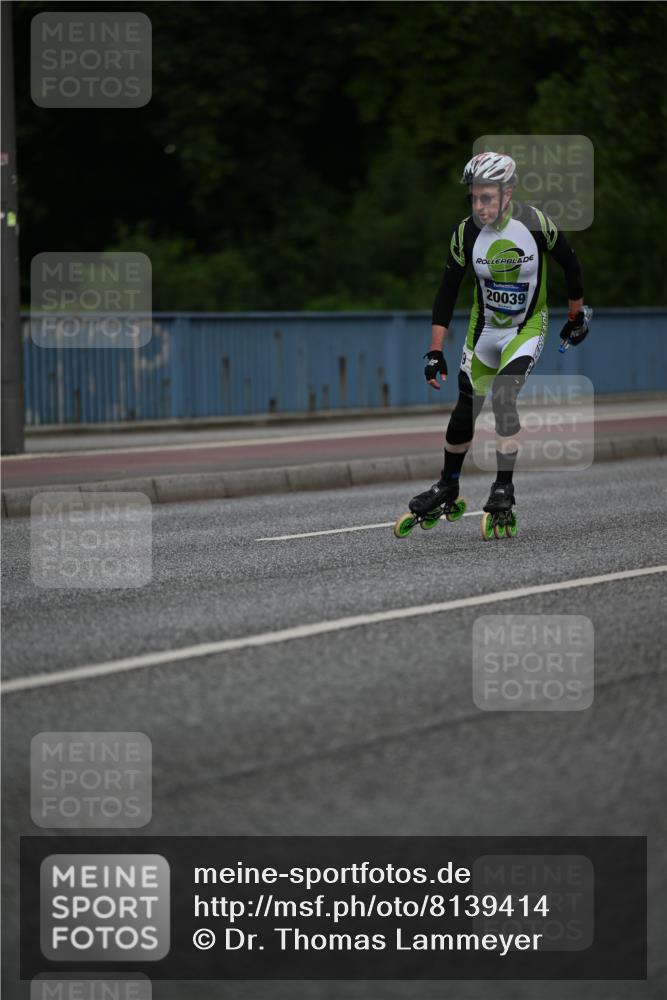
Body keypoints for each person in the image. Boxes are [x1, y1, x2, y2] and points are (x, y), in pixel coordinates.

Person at [408, 151, 589, 531]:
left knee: (504, 395)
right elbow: (446, 292)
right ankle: (448, 485)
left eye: (487, 197)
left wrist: (575, 316)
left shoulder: (536, 223)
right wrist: (435, 350)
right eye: (474, 197)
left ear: (509, 193)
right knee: (465, 409)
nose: (480, 205)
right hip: (485, 331)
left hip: (526, 328)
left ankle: (503, 487)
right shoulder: (466, 232)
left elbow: (570, 265)